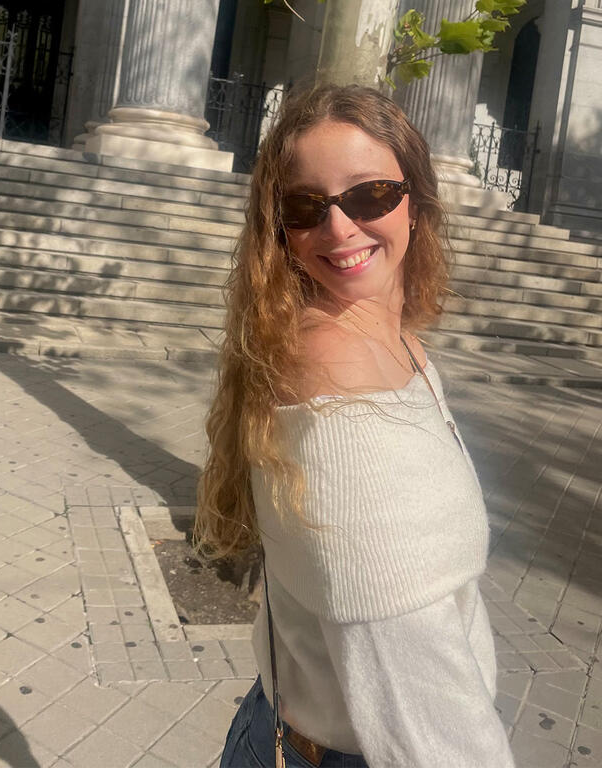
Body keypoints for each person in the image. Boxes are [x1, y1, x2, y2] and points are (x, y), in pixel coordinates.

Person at [193, 84, 515, 768]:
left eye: (370, 196)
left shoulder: (389, 340)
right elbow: (423, 708)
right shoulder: (345, 403)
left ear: (417, 199)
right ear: (279, 228)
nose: (339, 229)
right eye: (307, 208)